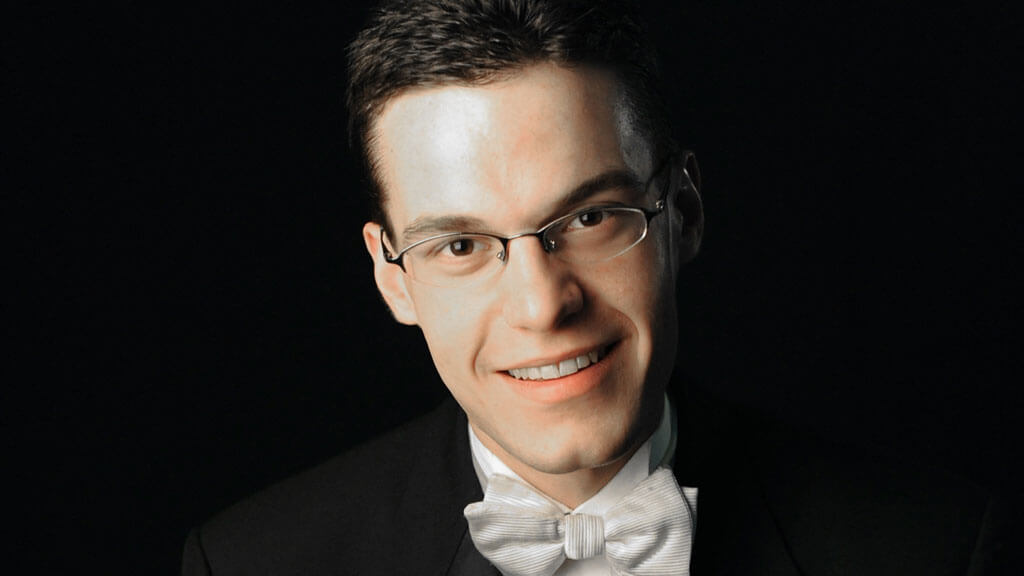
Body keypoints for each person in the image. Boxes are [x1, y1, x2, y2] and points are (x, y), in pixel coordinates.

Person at [181, 1, 1016, 574]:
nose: (543, 305)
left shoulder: (934, 549)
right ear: (391, 277)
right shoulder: (253, 563)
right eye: (461, 244)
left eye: (589, 219)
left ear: (683, 212)